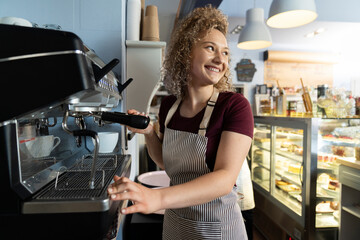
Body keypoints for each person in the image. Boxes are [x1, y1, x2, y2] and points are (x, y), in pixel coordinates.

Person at [107, 5, 254, 239]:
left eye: (225, 52)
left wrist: (157, 198)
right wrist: (148, 132)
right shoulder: (170, 107)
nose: (220, 59)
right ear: (186, 52)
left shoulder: (235, 106)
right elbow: (167, 163)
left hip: (218, 227)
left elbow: (224, 179)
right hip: (176, 224)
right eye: (210, 48)